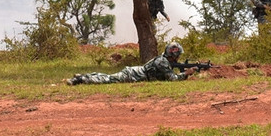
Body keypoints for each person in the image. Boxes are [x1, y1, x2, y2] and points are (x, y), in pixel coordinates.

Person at [67, 42, 198, 85]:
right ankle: (81, 79)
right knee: (108, 79)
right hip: (132, 75)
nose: (178, 57)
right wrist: (187, 73)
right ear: (173, 55)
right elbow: (173, 79)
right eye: (178, 55)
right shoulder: (162, 62)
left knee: (108, 76)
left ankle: (84, 75)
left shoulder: (164, 60)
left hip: (134, 73)